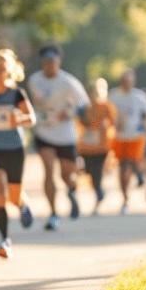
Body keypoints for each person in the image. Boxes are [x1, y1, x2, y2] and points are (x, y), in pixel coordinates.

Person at [27, 44, 89, 231]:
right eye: (46, 62)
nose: (49, 66)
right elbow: (41, 101)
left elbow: (83, 103)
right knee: (48, 169)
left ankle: (71, 191)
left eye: (53, 62)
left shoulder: (68, 82)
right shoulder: (35, 80)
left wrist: (69, 112)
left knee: (67, 174)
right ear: (42, 63)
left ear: (58, 62)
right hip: (44, 130)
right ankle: (53, 212)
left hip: (65, 133)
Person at [0, 49, 35, 257]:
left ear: (9, 72)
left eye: (1, 69)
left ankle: (22, 203)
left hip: (14, 148)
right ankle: (4, 240)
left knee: (13, 196)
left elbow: (32, 118)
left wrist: (19, 119)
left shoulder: (16, 94)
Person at [108, 69, 146, 215]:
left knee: (136, 164)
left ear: (133, 81)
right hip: (120, 137)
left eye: (129, 81)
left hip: (136, 136)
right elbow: (109, 115)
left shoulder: (140, 97)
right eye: (124, 80)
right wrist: (114, 123)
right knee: (123, 166)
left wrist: (145, 127)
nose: (126, 83)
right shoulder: (114, 96)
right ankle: (125, 199)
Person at [78, 78, 115, 216]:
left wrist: (105, 126)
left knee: (97, 173)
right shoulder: (83, 108)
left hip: (101, 146)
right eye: (91, 92)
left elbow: (113, 123)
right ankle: (99, 192)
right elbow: (79, 123)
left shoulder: (106, 107)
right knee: (89, 173)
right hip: (86, 147)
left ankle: (99, 194)